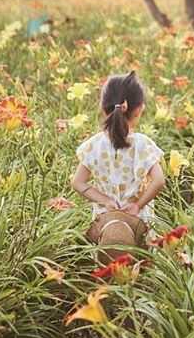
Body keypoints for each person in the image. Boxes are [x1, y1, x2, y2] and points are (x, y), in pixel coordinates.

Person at [71, 71, 166, 262]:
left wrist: (105, 200)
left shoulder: (93, 145)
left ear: (103, 108)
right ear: (139, 109)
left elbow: (78, 183)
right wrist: (137, 205)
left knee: (109, 261)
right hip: (137, 217)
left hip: (107, 220)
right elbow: (159, 181)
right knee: (141, 262)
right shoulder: (142, 144)